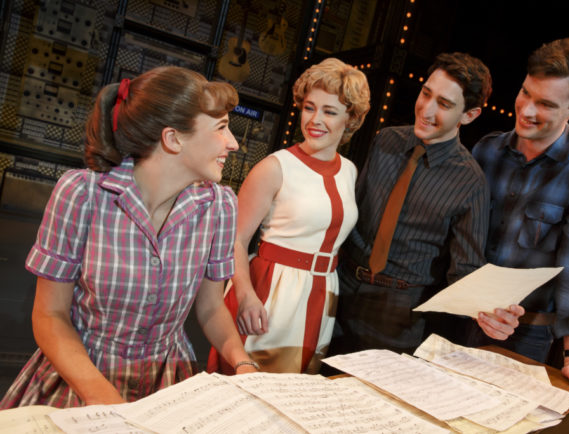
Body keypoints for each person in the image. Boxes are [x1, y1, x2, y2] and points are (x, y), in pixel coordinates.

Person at [0, 66, 259, 409]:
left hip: (168, 381)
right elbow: (50, 316)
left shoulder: (220, 206)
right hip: (83, 376)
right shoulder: (82, 193)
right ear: (173, 138)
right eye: (222, 128)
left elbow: (211, 308)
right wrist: (103, 399)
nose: (234, 143)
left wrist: (243, 363)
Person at [328, 52, 524, 359]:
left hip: (399, 316)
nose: (426, 109)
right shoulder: (385, 141)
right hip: (339, 290)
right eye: (426, 93)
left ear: (469, 115)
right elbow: (349, 213)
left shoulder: (471, 182)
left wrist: (488, 311)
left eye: (444, 104)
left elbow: (466, 270)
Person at [471, 38, 569, 416]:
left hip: (525, 337)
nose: (526, 109)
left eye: (546, 104)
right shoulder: (486, 151)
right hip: (462, 319)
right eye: (526, 93)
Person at [206, 58, 370, 374]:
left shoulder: (349, 171)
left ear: (350, 119)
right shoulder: (273, 167)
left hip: (323, 294)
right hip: (273, 290)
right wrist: (246, 295)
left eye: (330, 111)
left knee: (297, 393)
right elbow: (236, 240)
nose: (315, 120)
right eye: (310, 107)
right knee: (254, 389)